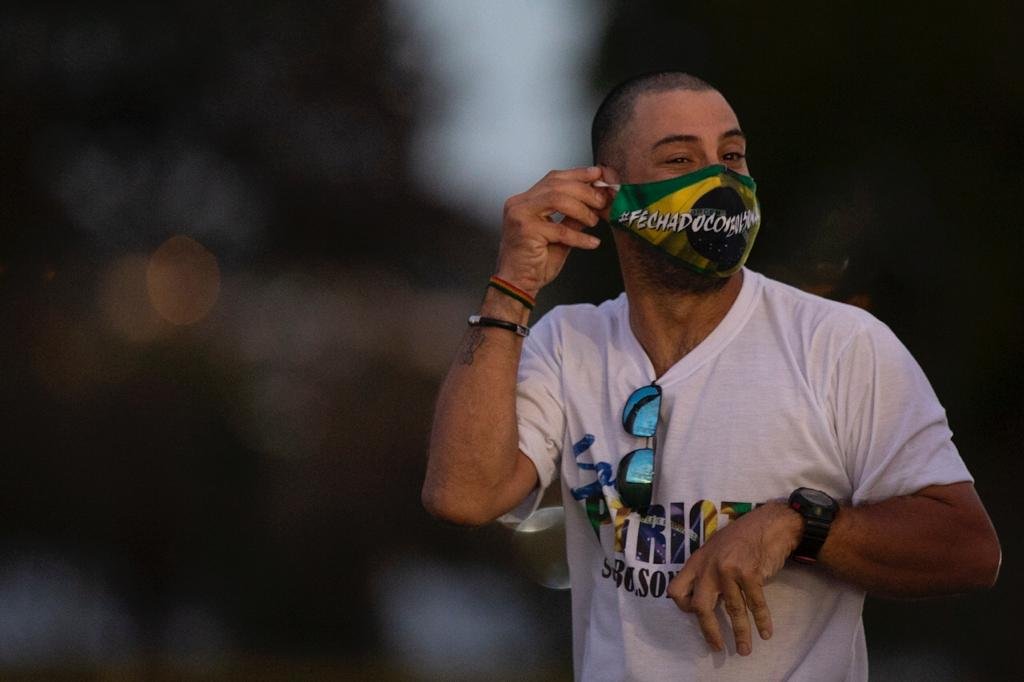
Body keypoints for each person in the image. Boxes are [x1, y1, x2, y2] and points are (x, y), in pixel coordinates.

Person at [423, 71, 1000, 681]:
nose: (718, 181)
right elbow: (464, 494)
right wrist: (513, 286)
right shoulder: (570, 343)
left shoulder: (838, 344)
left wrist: (798, 524)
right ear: (605, 192)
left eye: (731, 156)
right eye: (680, 159)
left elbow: (966, 548)